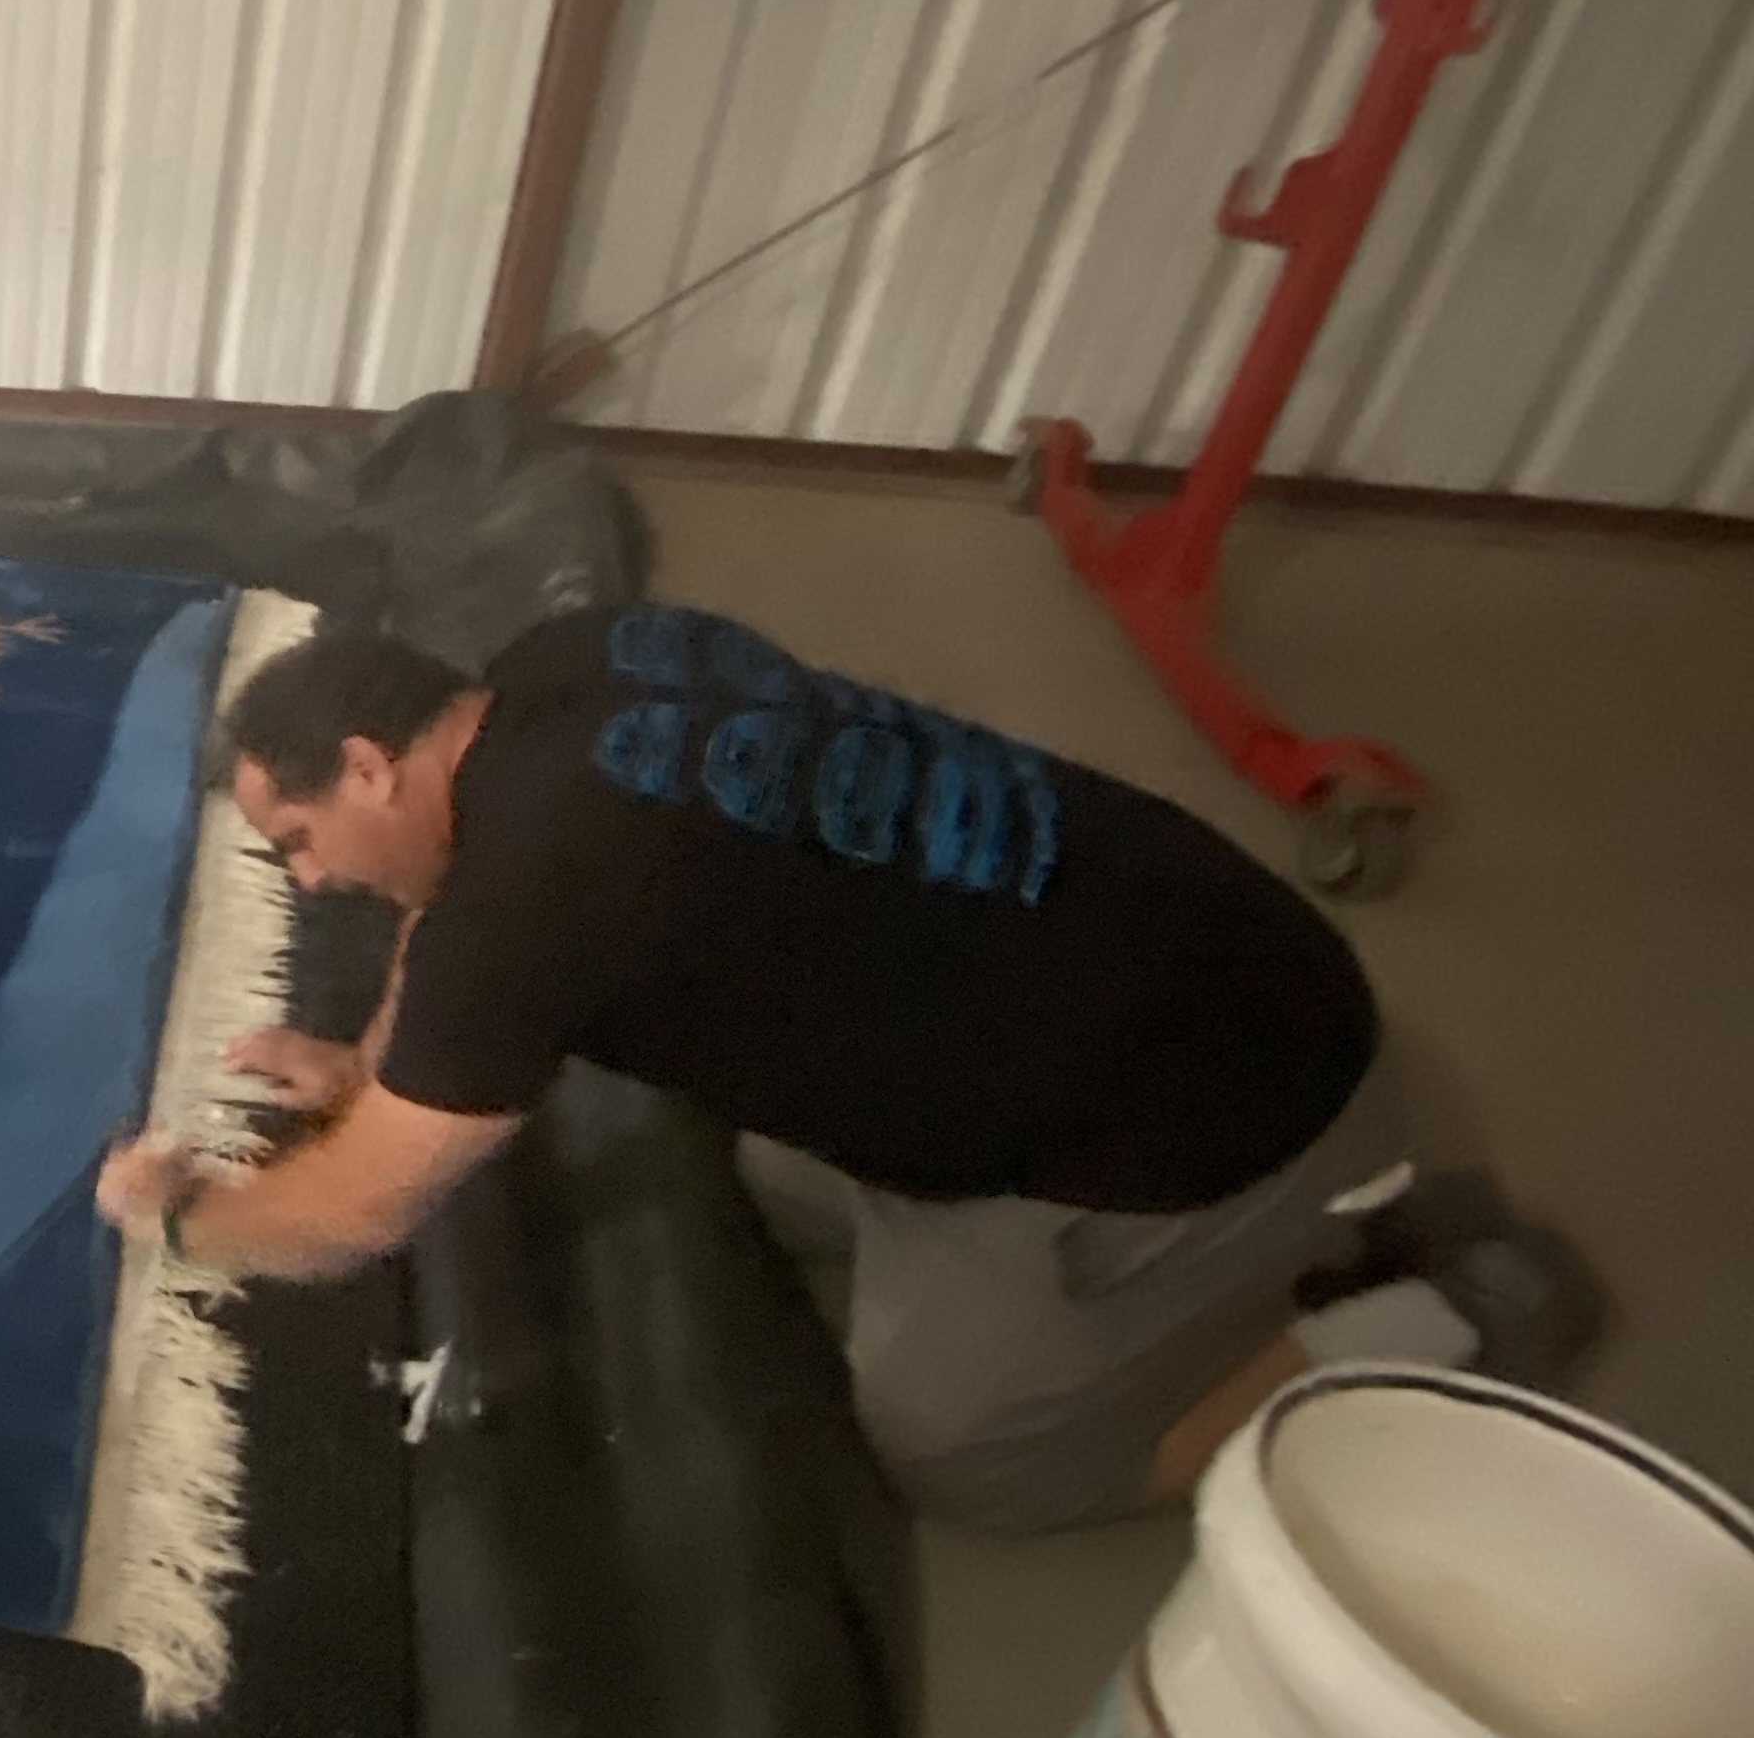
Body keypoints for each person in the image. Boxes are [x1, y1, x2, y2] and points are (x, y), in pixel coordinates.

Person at [96, 602, 1585, 1532]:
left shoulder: (535, 899)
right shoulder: (569, 660)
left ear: (369, 765)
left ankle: (1427, 1308)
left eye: (300, 840)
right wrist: (365, 1065)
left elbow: (359, 1211)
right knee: (777, 1177)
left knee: (965, 1456)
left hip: (1234, 1101)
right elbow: (443, 910)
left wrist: (182, 1218)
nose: (311, 880)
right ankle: (1256, 1248)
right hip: (1209, 940)